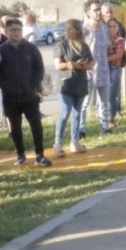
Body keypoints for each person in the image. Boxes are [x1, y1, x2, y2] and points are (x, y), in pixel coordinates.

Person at [0, 18, 51, 167]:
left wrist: (33, 84)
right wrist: (5, 86)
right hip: (10, 97)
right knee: (15, 127)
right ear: (6, 32)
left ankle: (40, 154)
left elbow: (40, 68)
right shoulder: (1, 50)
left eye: (18, 29)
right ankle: (20, 154)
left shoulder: (31, 48)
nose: (15, 33)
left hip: (30, 95)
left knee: (36, 124)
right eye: (12, 30)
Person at [52, 19, 92, 156]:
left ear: (78, 30)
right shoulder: (62, 46)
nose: (68, 31)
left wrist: (82, 65)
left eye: (71, 29)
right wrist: (73, 65)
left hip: (80, 83)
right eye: (66, 29)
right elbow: (58, 65)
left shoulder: (84, 46)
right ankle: (58, 143)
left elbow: (91, 64)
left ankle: (75, 142)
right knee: (65, 112)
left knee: (77, 113)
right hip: (66, 85)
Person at [80, 0, 111, 136]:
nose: (99, 12)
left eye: (100, 9)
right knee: (84, 103)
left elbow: (107, 45)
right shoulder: (84, 30)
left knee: (104, 101)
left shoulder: (104, 27)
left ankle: (104, 127)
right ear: (88, 12)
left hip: (103, 70)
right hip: (88, 72)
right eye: (95, 10)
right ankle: (81, 129)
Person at [106, 18, 126, 127]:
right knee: (105, 94)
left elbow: (118, 55)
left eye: (114, 26)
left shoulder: (120, 40)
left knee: (111, 94)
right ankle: (104, 117)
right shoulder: (104, 39)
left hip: (114, 68)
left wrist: (104, 58)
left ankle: (111, 118)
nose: (112, 29)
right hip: (104, 69)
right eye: (110, 26)